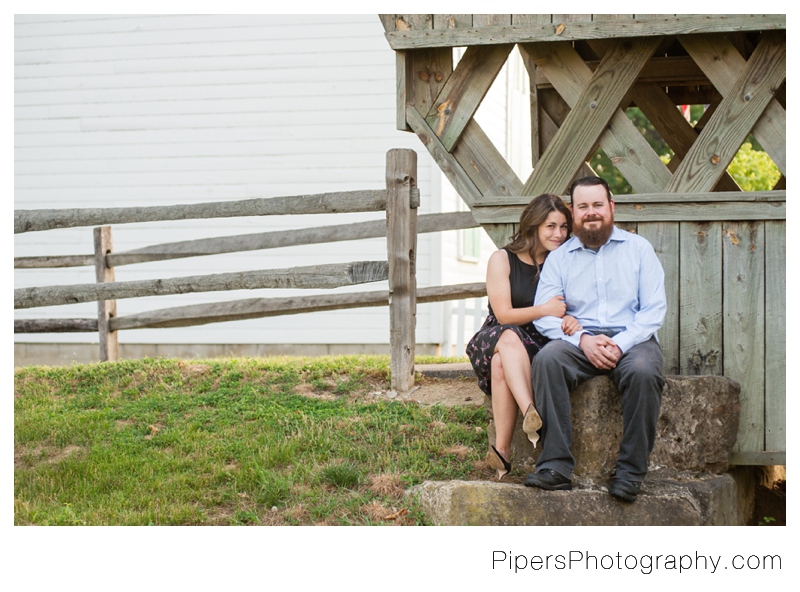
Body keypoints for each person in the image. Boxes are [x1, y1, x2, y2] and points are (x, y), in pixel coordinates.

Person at [524, 176, 667, 502]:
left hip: (633, 340)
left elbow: (653, 311)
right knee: (547, 360)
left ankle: (631, 473)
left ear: (611, 207)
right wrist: (584, 341)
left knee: (645, 371)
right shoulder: (560, 258)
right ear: (573, 211)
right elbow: (545, 314)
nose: (592, 213)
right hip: (579, 340)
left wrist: (620, 344)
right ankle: (556, 467)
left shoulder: (639, 249)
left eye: (598, 205)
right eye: (583, 206)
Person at [466, 193, 582, 481]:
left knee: (500, 365)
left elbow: (576, 304)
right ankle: (530, 409)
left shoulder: (564, 262)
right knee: (507, 339)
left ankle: (502, 452)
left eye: (564, 227)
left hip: (539, 339)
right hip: (498, 334)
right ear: (533, 225)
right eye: (551, 226)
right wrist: (545, 308)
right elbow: (504, 314)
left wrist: (570, 317)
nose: (559, 234)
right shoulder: (502, 259)